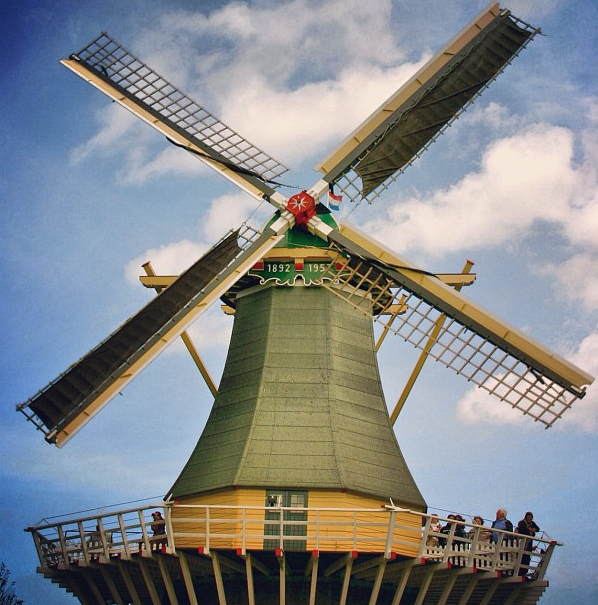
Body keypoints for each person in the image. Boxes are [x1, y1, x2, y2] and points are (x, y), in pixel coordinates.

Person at [516, 512, 540, 576]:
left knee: (527, 558)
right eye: (529, 517)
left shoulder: (532, 523)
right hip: (522, 542)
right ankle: (520, 572)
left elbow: (538, 529)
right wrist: (529, 530)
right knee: (522, 557)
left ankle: (524, 572)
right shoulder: (522, 523)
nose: (530, 519)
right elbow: (521, 530)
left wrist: (533, 529)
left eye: (531, 517)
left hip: (529, 543)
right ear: (526, 517)